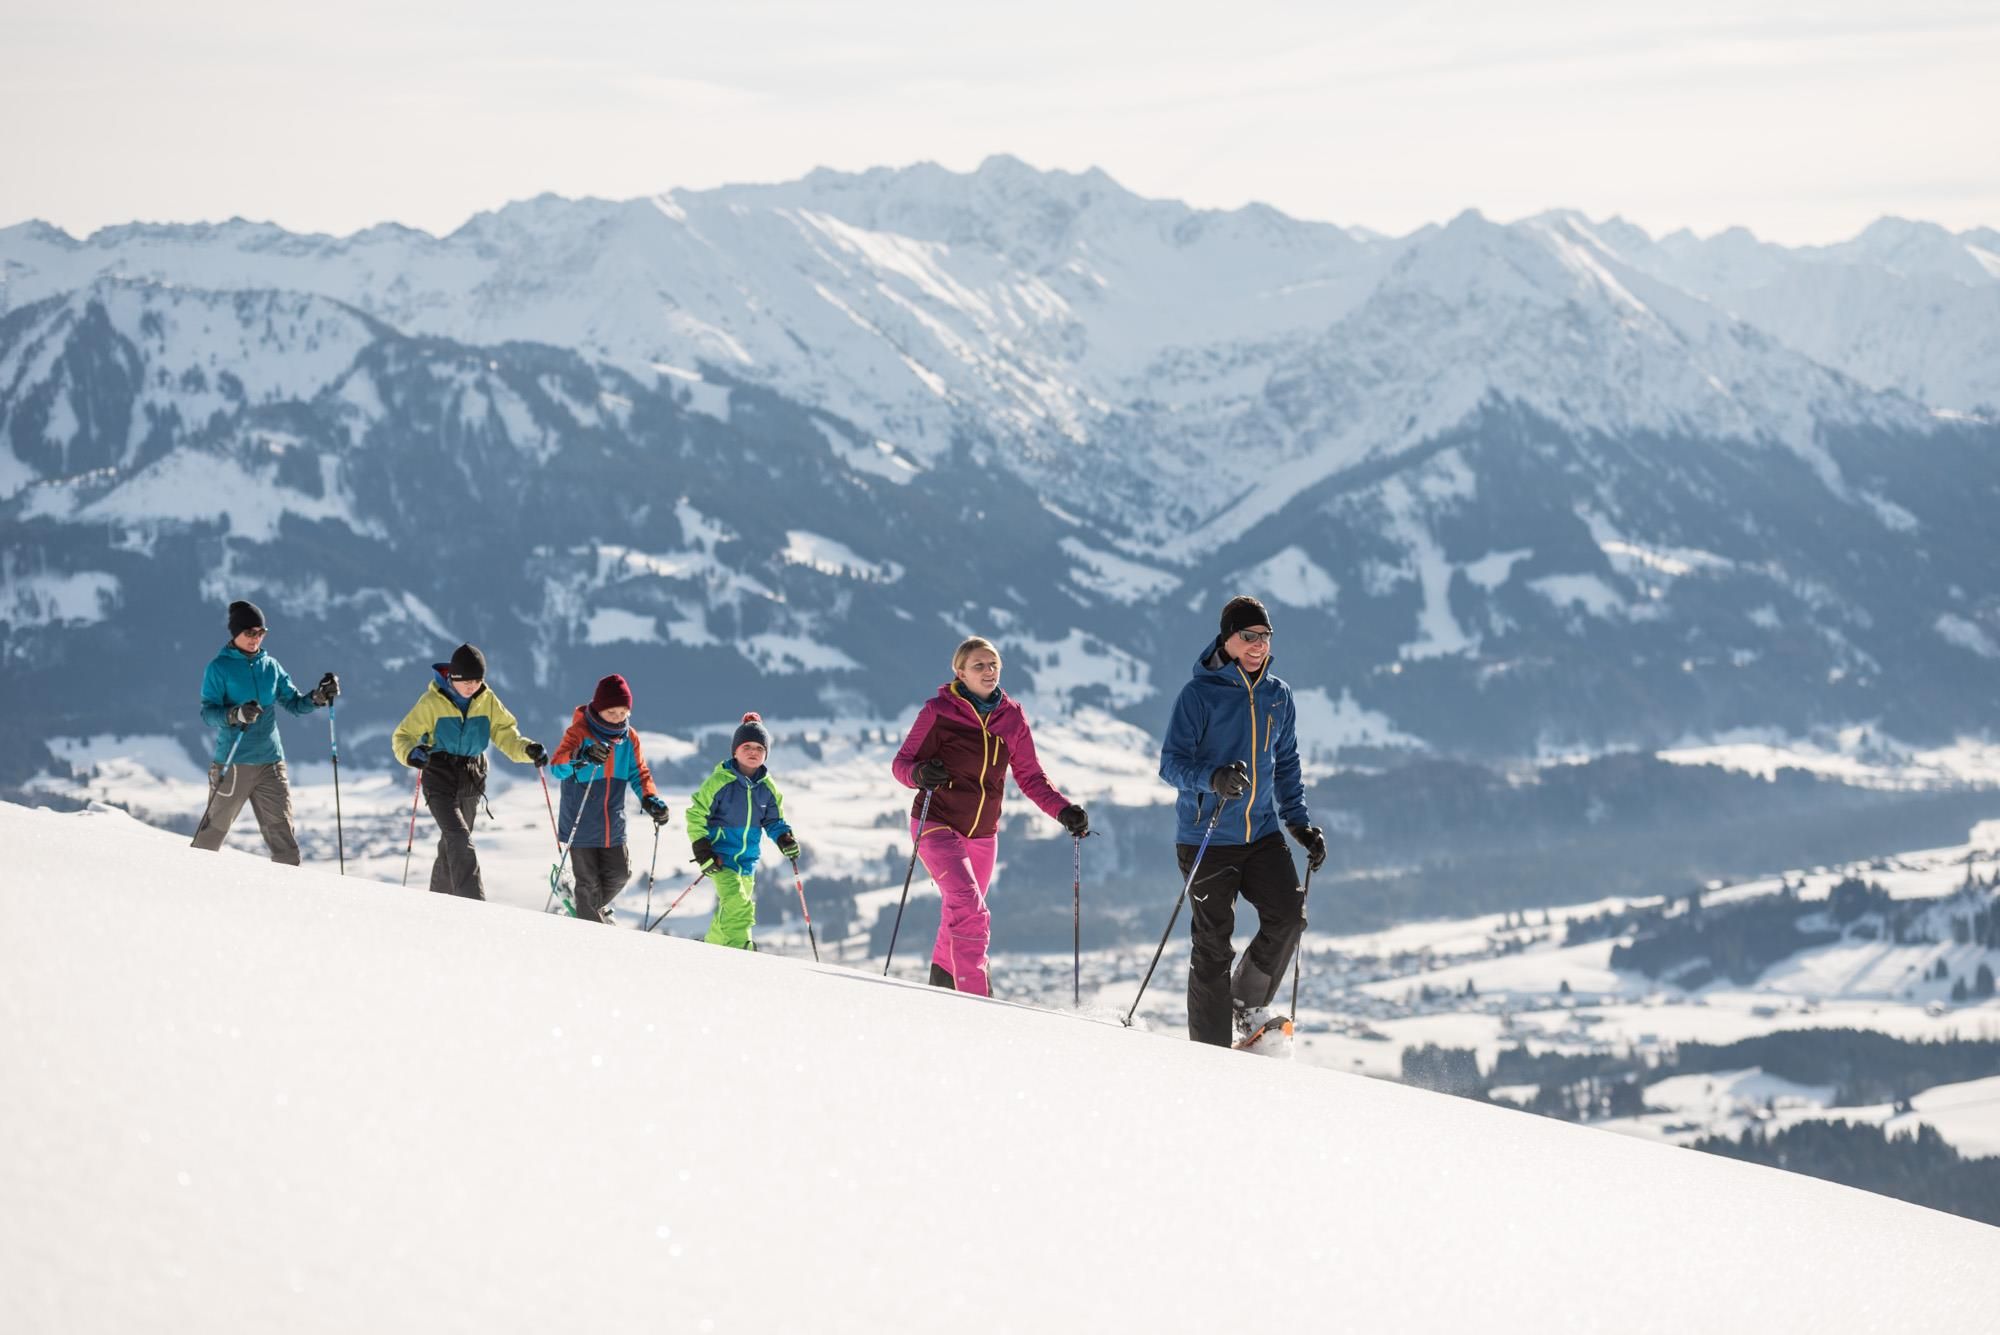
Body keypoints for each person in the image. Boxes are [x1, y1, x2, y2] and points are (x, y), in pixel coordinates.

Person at [1158, 596, 1327, 1046]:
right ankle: (1211, 1051)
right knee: (1213, 946)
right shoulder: (1198, 695)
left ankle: (1243, 1004)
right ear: (1227, 639)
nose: (1258, 645)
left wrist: (1299, 823)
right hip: (1205, 837)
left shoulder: (1278, 694)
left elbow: (1287, 762)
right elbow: (1171, 764)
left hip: (1262, 834)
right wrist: (1211, 778)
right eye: (1248, 636)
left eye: (1265, 636)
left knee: (1289, 916)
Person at [890, 636, 1088, 995]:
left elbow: (1030, 776)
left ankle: (943, 987)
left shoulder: (1011, 717)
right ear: (960, 672)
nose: (988, 671)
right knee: (971, 908)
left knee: (959, 911)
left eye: (993, 664)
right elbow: (901, 764)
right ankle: (976, 999)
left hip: (982, 833)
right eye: (979, 665)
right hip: (936, 822)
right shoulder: (938, 712)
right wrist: (919, 774)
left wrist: (1062, 810)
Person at [389, 642, 545, 900]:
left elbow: (505, 733)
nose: (472, 687)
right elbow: (402, 736)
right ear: (453, 678)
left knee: (452, 843)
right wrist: (411, 753)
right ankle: (474, 905)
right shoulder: (431, 702)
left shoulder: (487, 700)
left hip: (472, 776)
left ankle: (437, 901)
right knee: (460, 840)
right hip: (438, 773)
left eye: (477, 680)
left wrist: (527, 749)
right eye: (467, 682)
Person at [193, 599, 338, 863]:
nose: (255, 638)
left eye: (261, 633)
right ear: (235, 633)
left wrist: (319, 696)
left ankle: (287, 899)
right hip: (234, 763)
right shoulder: (219, 668)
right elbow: (208, 713)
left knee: (285, 844)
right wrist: (235, 714)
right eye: (249, 632)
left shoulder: (270, 666)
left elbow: (294, 704)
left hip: (271, 763)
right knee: (210, 838)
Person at [548, 673, 670, 923]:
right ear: (598, 708)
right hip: (579, 822)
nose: (617, 718)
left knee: (620, 874)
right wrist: (582, 756)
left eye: (623, 712)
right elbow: (557, 767)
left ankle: (581, 903)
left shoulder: (629, 738)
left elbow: (639, 773)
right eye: (611, 712)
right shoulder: (579, 732)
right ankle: (590, 932)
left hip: (612, 823)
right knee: (589, 883)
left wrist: (650, 798)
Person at [687, 713, 798, 950]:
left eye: (759, 747)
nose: (753, 751)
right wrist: (702, 848)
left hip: (747, 860)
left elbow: (774, 820)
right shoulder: (719, 782)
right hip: (719, 857)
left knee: (735, 904)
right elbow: (696, 814)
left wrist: (784, 837)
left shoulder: (768, 788)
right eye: (746, 746)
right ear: (735, 751)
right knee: (738, 902)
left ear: (766, 753)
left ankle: (711, 946)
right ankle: (740, 950)